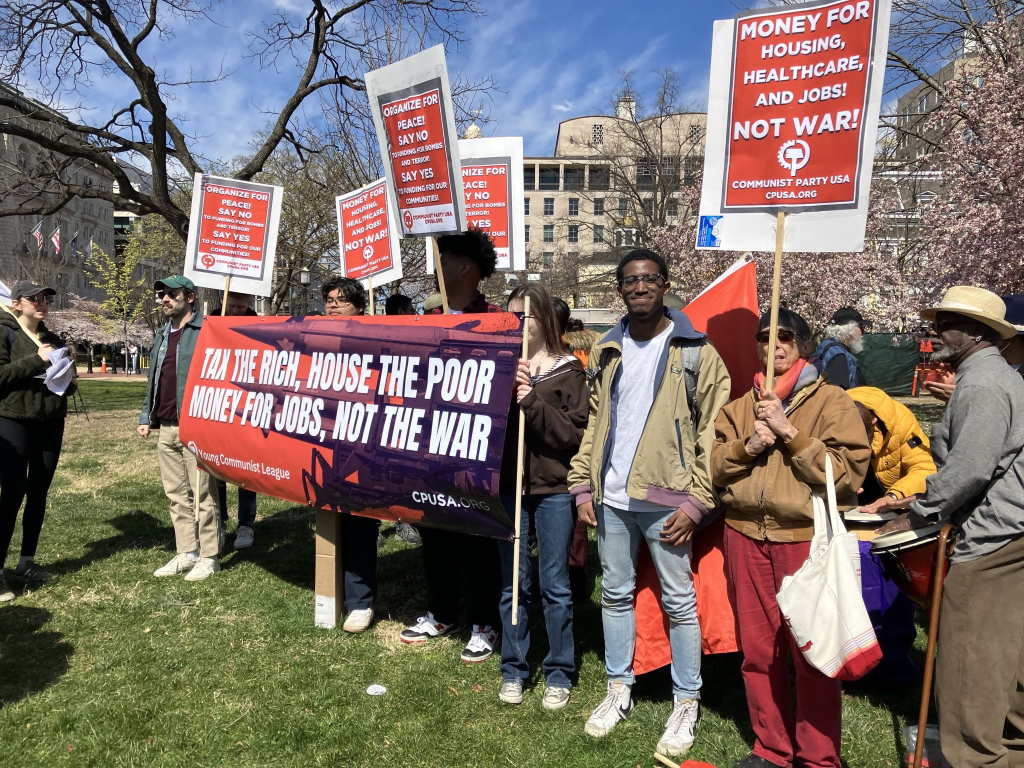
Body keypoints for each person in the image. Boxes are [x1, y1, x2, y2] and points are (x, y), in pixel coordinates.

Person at [568, 249, 732, 757]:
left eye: (649, 279)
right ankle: (618, 687)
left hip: (669, 500)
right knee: (615, 595)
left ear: (665, 285)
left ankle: (686, 701)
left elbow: (714, 434)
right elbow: (595, 424)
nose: (639, 288)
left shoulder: (697, 352)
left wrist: (697, 502)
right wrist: (582, 484)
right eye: (630, 281)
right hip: (612, 498)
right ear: (619, 289)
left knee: (679, 601)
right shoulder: (606, 349)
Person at [712, 306, 871, 768]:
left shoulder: (832, 402)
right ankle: (772, 749)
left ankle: (819, 757)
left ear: (803, 344)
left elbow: (846, 474)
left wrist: (789, 433)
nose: (774, 345)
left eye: (785, 336)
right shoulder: (738, 407)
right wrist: (750, 445)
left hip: (806, 540)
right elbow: (714, 466)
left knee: (814, 651)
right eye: (765, 337)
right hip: (744, 536)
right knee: (758, 652)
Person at [877, 286, 1024, 768]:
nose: (937, 329)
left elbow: (970, 469)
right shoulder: (988, 379)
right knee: (1006, 652)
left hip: (994, 538)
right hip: (1008, 530)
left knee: (969, 660)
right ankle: (1009, 750)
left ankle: (976, 758)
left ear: (978, 333)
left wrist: (918, 512)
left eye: (948, 322)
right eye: (938, 320)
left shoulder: (983, 385)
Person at [402, 229, 502, 663]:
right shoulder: (425, 321)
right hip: (429, 447)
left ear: (465, 268)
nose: (435, 267)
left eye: (442, 261)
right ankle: (441, 612)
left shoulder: (497, 321)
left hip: (474, 451)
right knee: (435, 534)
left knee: (476, 540)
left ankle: (484, 621)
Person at [498, 284, 588, 710]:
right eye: (513, 314)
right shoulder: (501, 363)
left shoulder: (569, 372)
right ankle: (513, 668)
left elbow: (574, 434)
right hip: (510, 490)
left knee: (554, 584)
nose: (519, 323)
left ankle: (558, 671)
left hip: (553, 491)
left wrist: (532, 401)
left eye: (527, 316)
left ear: (545, 320)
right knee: (513, 583)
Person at [848, 386, 936, 684]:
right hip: (845, 518)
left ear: (873, 422)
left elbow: (924, 467)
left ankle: (891, 662)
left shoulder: (899, 420)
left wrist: (895, 496)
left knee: (890, 592)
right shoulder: (830, 413)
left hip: (890, 517)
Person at [138, 276, 221, 581]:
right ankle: (187, 552)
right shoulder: (162, 334)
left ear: (190, 297)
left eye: (172, 294)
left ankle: (209, 556)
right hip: (166, 426)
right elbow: (154, 378)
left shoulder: (206, 330)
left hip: (196, 425)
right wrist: (145, 416)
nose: (165, 299)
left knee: (203, 494)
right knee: (176, 494)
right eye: (163, 294)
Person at [0, 281, 76, 602]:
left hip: (50, 421)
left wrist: (68, 377)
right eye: (34, 298)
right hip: (13, 419)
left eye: (46, 298)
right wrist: (38, 360)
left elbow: (65, 385)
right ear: (17, 303)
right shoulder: (5, 332)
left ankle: (26, 561)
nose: (42, 302)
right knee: (12, 492)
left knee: (39, 490)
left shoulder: (52, 338)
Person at [318, 275, 379, 633]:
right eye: (329, 300)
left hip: (360, 441)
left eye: (341, 300)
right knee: (328, 516)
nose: (333, 305)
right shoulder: (315, 338)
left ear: (359, 306)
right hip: (322, 439)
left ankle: (360, 601)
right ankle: (328, 591)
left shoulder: (375, 339)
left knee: (358, 521)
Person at [211, 291, 260, 550]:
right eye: (231, 305)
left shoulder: (258, 325)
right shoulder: (212, 321)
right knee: (215, 469)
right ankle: (218, 522)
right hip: (218, 403)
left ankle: (246, 524)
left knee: (246, 471)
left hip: (245, 404)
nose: (235, 310)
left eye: (240, 306)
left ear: (248, 303)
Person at [383, 292, 422, 546]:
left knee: (403, 471)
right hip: (385, 413)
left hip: (407, 412)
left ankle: (404, 521)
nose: (414, 315)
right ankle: (376, 524)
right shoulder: (381, 337)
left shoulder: (415, 339)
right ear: (400, 312)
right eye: (411, 310)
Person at [815, 307, 870, 389]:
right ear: (849, 329)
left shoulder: (829, 347)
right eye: (861, 327)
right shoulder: (839, 356)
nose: (863, 332)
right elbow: (836, 393)